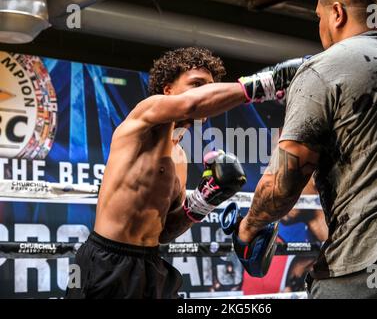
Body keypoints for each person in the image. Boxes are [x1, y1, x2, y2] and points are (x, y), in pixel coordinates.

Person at [236, 0, 377, 298]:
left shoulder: (324, 67)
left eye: (319, 17)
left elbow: (283, 183)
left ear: (337, 13)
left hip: (374, 262)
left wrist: (248, 227)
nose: (320, 26)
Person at [65, 47, 307, 299]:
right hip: (107, 262)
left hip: (150, 265)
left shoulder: (179, 156)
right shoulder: (144, 116)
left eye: (209, 87)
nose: (205, 92)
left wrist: (204, 199)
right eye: (196, 84)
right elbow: (191, 104)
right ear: (168, 90)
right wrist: (267, 83)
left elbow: (165, 231)